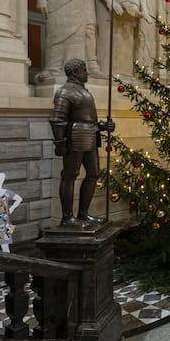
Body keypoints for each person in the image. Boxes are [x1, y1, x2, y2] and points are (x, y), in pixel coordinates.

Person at [50, 58, 116, 227]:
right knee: (70, 176)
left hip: (91, 137)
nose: (87, 73)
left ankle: (83, 214)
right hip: (75, 138)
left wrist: (103, 125)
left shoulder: (83, 91)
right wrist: (60, 143)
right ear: (74, 73)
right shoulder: (65, 92)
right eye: (84, 70)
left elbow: (87, 119)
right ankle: (67, 218)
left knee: (93, 174)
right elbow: (58, 120)